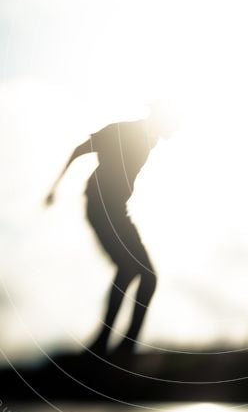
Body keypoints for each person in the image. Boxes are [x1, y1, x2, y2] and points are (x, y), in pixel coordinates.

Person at [45, 103, 177, 357]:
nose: (173, 132)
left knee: (136, 273)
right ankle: (117, 345)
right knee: (139, 273)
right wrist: (55, 187)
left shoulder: (146, 138)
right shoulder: (122, 132)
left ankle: (111, 344)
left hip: (116, 210)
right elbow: (79, 150)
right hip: (102, 208)